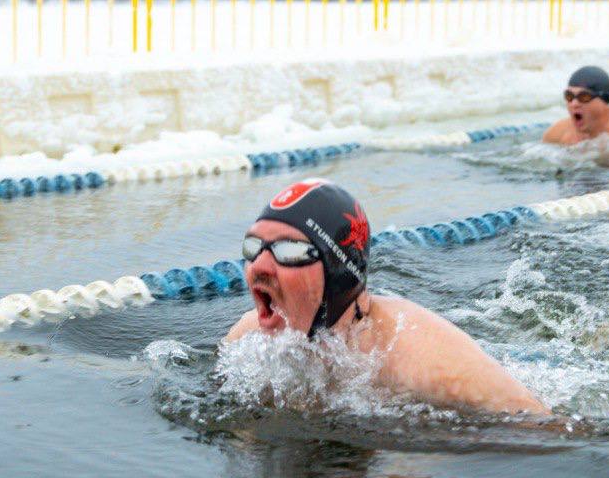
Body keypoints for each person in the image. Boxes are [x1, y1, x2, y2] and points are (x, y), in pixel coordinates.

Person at [223, 178, 553, 417]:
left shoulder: (428, 360)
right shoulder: (245, 338)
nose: (259, 266)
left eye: (289, 251)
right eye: (253, 247)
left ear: (339, 270)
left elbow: (546, 429)